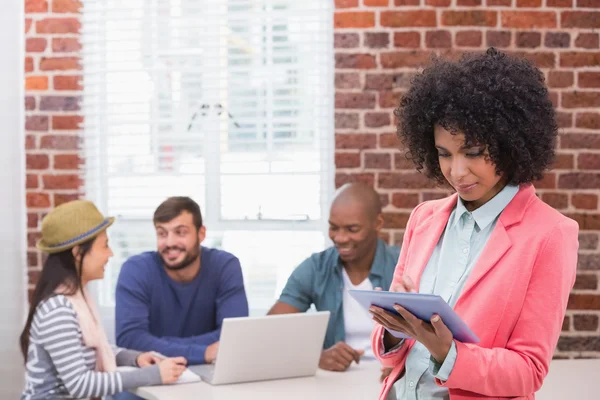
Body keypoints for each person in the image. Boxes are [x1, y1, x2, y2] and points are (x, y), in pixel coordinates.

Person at [368, 48, 579, 400]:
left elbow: (528, 372)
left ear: (511, 143)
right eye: (444, 153)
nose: (457, 172)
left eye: (473, 152)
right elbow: (390, 355)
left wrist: (447, 353)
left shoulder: (550, 234)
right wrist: (395, 330)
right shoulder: (424, 219)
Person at [20, 200, 186, 400]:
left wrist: (136, 359)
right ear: (78, 253)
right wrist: (152, 375)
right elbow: (80, 385)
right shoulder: (58, 310)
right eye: (104, 246)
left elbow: (97, 350)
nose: (110, 254)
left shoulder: (77, 298)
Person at [268, 182, 400, 372]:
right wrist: (315, 356)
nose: (340, 238)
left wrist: (403, 365)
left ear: (377, 224)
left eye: (352, 229)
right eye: (333, 227)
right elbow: (271, 330)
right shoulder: (316, 268)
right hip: (337, 380)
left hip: (394, 379)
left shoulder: (403, 265)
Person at [115, 196, 249, 366]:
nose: (170, 242)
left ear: (201, 234)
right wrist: (203, 352)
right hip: (151, 374)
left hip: (206, 372)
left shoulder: (224, 266)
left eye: (180, 232)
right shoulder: (136, 270)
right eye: (162, 233)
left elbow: (235, 335)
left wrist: (157, 343)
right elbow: (130, 339)